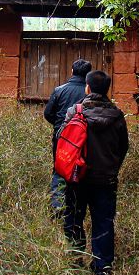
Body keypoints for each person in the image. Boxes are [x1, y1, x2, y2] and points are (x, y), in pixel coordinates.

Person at [62, 70, 129, 275]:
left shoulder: (75, 112)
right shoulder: (117, 116)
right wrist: (112, 168)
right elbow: (123, 147)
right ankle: (103, 267)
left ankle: (75, 259)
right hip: (106, 179)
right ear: (107, 89)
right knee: (103, 221)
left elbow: (62, 140)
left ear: (88, 88)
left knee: (74, 218)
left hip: (77, 177)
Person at [44, 58, 92, 216]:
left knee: (60, 170)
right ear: (88, 74)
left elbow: (48, 114)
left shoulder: (60, 90)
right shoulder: (90, 94)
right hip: (84, 140)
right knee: (81, 171)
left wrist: (61, 127)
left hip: (62, 139)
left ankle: (57, 208)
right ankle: (76, 209)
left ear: (72, 71)